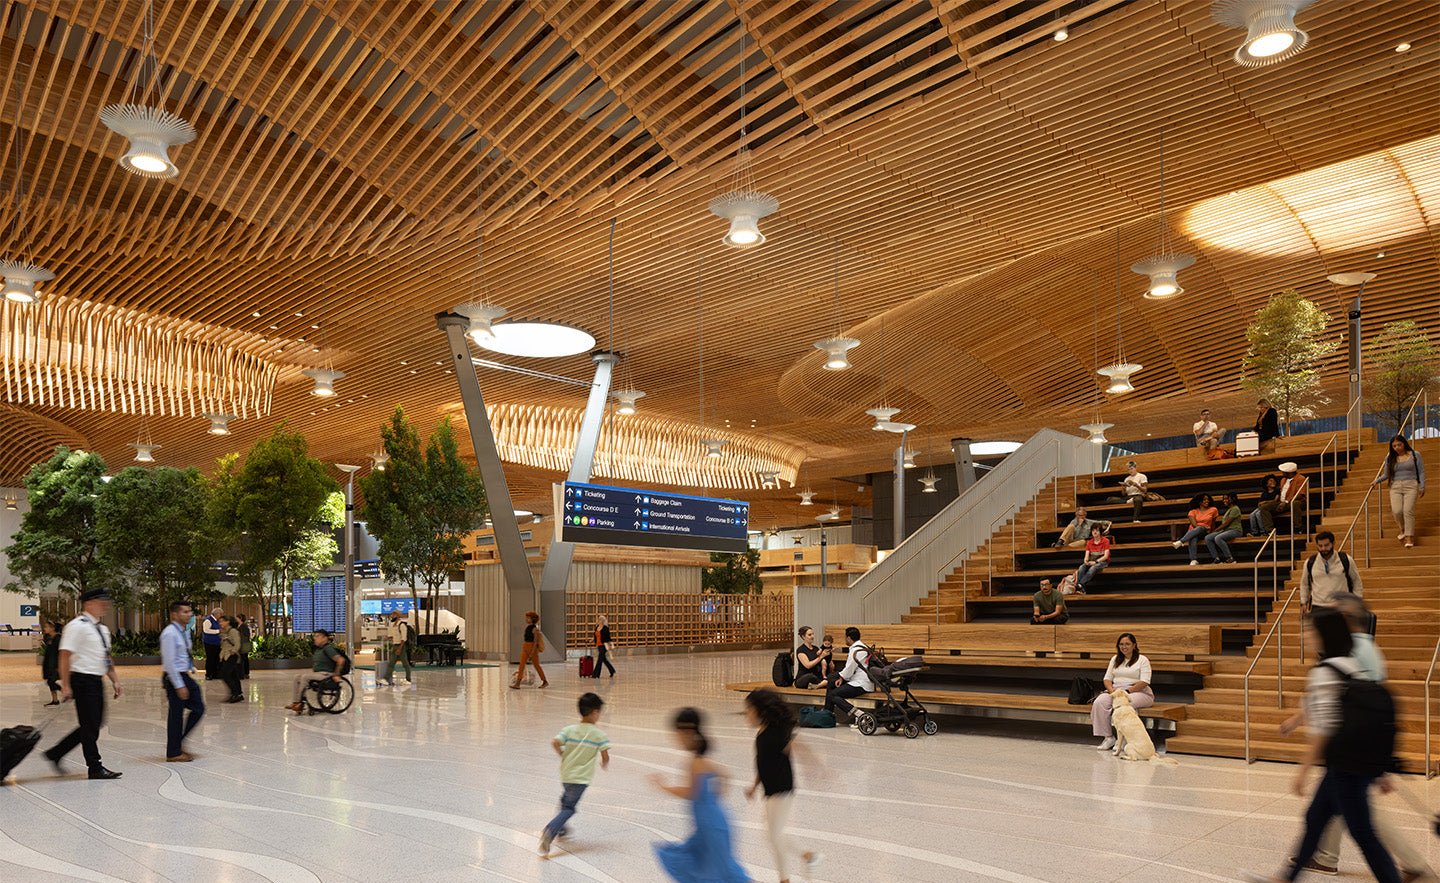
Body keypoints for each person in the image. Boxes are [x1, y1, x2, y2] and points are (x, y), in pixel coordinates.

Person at [1240, 609, 1400, 883]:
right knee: (1316, 820)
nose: (1305, 636)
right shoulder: (1351, 665)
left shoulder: (1325, 672)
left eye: (1309, 630)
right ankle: (1287, 878)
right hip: (1351, 763)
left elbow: (1324, 731)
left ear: (1324, 634)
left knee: (1363, 834)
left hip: (1344, 766)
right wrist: (1380, 770)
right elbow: (1366, 720)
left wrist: (1302, 772)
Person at [1290, 595, 1432, 879]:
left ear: (1346, 616)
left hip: (1351, 749)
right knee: (1332, 814)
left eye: (1333, 610)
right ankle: (1316, 861)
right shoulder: (1358, 648)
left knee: (1363, 824)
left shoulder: (1358, 649)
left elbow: (1349, 703)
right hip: (1353, 749)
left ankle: (1412, 864)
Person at [650, 708, 749, 883]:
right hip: (711, 823)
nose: (676, 738)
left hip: (710, 826)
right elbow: (725, 775)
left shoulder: (695, 763)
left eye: (677, 733)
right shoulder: (700, 760)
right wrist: (713, 800)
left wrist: (663, 786)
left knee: (715, 872)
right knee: (716, 870)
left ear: (686, 732)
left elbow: (690, 792)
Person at [43, 587, 123, 780]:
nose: (104, 605)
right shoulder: (76, 625)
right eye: (100, 601)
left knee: (94, 724)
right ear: (88, 603)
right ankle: (94, 767)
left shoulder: (102, 629)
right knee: (89, 725)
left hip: (96, 680)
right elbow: (64, 655)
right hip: (81, 680)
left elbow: (105, 657)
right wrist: (67, 685)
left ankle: (56, 753)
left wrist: (115, 680)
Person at [743, 689, 820, 883]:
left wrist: (815, 767)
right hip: (771, 790)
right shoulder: (762, 733)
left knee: (774, 836)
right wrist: (754, 786)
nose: (746, 714)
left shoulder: (776, 733)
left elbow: (798, 747)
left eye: (749, 710)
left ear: (761, 711)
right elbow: (763, 762)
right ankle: (808, 856)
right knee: (771, 834)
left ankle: (784, 879)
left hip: (782, 788)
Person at [539, 692, 610, 857]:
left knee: (564, 800)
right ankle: (551, 830)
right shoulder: (599, 734)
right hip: (581, 778)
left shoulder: (569, 729)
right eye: (599, 712)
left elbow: (555, 742)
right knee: (569, 807)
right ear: (594, 712)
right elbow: (605, 755)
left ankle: (562, 829)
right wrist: (604, 762)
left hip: (566, 774)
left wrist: (562, 754)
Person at [160, 600, 205, 761]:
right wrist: (179, 685)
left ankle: (177, 745)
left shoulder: (183, 631)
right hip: (175, 676)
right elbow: (169, 662)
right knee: (176, 715)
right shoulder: (170, 633)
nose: (189, 614)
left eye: (189, 611)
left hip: (183, 675)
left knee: (197, 708)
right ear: (174, 614)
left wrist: (190, 667)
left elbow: (184, 652)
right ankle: (174, 752)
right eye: (184, 612)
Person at [1093, 633, 1153, 750]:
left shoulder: (1142, 659)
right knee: (1099, 702)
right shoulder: (1115, 659)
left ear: (1134, 645)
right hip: (1116, 690)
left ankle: (1126, 739)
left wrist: (1126, 692)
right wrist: (1112, 691)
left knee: (1125, 704)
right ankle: (1108, 737)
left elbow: (1145, 681)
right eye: (1121, 644)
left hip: (1139, 691)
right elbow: (1107, 679)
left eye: (1127, 644)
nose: (1124, 647)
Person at [1374, 434, 1426, 549]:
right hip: (1395, 486)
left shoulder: (1415, 455)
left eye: (1399, 444)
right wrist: (1376, 481)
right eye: (1394, 446)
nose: (1397, 447)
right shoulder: (1389, 458)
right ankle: (1402, 529)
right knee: (1397, 511)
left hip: (1411, 485)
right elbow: (1386, 475)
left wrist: (1422, 486)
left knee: (1408, 511)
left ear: (1404, 444)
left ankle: (1409, 537)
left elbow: (1421, 471)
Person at [1300, 530, 1364, 614]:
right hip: (1318, 607)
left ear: (1333, 543)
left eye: (1326, 545)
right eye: (1320, 546)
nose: (1323, 548)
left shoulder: (1346, 560)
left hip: (1341, 607)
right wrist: (1303, 602)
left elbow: (1356, 581)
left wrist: (1356, 602)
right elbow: (1304, 584)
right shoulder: (1310, 562)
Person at [287, 630, 348, 715]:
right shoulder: (318, 650)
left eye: (318, 636)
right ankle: (295, 702)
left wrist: (336, 674)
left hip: (326, 675)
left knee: (305, 677)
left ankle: (299, 703)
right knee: (297, 677)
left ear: (324, 638)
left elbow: (341, 660)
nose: (315, 638)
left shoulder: (328, 648)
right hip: (319, 674)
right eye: (315, 636)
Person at [824, 627, 874, 726]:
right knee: (831, 683)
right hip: (861, 681)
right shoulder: (863, 646)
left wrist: (841, 677)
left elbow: (849, 670)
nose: (845, 639)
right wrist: (841, 677)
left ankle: (859, 714)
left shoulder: (856, 650)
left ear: (849, 638)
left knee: (833, 694)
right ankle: (827, 713)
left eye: (845, 637)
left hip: (861, 684)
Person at [1257, 462, 1308, 534]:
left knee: (1295, 504)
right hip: (1282, 501)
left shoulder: (1300, 478)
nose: (1282, 473)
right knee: (1264, 508)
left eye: (1283, 472)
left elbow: (1300, 494)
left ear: (1289, 472)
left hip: (1295, 501)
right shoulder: (1283, 480)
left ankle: (1298, 528)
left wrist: (1286, 502)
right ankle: (1270, 531)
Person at [512, 610, 548, 689]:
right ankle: (518, 683)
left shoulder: (535, 629)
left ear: (533, 619)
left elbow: (535, 642)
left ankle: (544, 681)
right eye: (526, 618)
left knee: (537, 666)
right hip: (525, 646)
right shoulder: (528, 627)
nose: (526, 619)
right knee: (521, 664)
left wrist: (532, 653)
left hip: (532, 648)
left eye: (528, 618)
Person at [1204, 492, 1244, 564]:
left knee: (1218, 538)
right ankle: (1216, 558)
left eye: (1226, 499)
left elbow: (1226, 523)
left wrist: (1216, 530)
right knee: (1208, 538)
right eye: (1223, 499)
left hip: (1235, 531)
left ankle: (1230, 558)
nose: (1224, 500)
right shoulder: (1229, 509)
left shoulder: (1235, 509)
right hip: (1226, 531)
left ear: (1232, 499)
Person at [1075, 524, 1111, 591]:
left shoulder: (1106, 541)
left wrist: (1095, 562)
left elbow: (1106, 556)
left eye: (1097, 530)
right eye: (1093, 530)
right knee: (1081, 567)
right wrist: (1086, 561)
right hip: (1092, 560)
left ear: (1100, 532)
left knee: (1093, 568)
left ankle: (1079, 585)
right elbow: (1086, 556)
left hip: (1102, 561)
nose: (1094, 532)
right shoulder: (1089, 542)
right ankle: (1081, 588)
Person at [218, 616, 244, 703]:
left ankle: (235, 693)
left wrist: (233, 651)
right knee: (233, 675)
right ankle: (237, 694)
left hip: (231, 655)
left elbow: (237, 643)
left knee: (225, 674)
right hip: (225, 655)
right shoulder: (224, 631)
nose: (220, 623)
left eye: (222, 621)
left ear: (228, 622)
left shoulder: (233, 631)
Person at [386, 609, 413, 685]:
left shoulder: (402, 625)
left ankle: (408, 679)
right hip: (395, 645)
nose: (392, 616)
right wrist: (388, 637)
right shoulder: (394, 625)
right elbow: (394, 636)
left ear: (397, 616)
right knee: (391, 663)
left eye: (393, 614)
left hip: (400, 646)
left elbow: (403, 638)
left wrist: (400, 648)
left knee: (405, 663)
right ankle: (388, 678)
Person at [40, 619, 61, 706]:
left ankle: (67, 692)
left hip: (55, 665)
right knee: (50, 681)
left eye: (47, 627)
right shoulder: (49, 638)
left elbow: (60, 652)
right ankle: (55, 700)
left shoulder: (58, 638)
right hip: (49, 664)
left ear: (52, 628)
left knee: (52, 681)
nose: (45, 629)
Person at [201, 607, 222, 680]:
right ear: (217, 614)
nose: (221, 616)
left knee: (216, 659)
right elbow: (206, 630)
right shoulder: (208, 620)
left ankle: (215, 674)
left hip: (217, 643)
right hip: (209, 643)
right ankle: (208, 674)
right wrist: (217, 631)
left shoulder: (217, 621)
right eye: (220, 614)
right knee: (210, 659)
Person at [236, 614, 252, 680]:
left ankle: (242, 674)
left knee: (242, 659)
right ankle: (245, 673)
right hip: (244, 645)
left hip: (243, 645)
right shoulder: (242, 626)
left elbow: (243, 637)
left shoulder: (243, 626)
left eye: (237, 618)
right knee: (244, 659)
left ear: (240, 618)